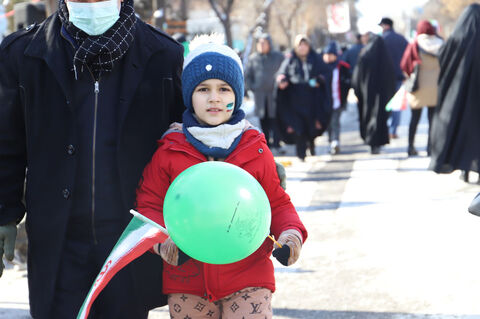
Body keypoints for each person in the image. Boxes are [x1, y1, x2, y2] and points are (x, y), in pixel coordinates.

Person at [0, 0, 184, 317]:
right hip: (57, 240)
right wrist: (4, 212)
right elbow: (7, 143)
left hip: (129, 240)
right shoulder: (22, 53)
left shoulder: (163, 55)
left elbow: (182, 147)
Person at [135, 34, 308, 319]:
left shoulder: (254, 148)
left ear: (237, 95)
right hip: (187, 280)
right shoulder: (170, 150)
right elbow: (148, 206)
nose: (214, 98)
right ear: (188, 93)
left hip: (248, 276)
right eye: (203, 89)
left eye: (224, 89)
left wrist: (291, 235)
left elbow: (276, 203)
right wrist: (162, 242)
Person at [429, 4, 480, 182]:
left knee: (462, 131)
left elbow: (443, 56)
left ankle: (464, 171)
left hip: (459, 96)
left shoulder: (457, 39)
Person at [275, 34, 331, 161]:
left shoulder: (315, 58)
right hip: (295, 100)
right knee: (298, 128)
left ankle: (311, 144)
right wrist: (282, 80)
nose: (302, 48)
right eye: (300, 45)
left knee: (311, 127)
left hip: (313, 100)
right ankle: (301, 153)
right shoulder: (290, 60)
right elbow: (281, 73)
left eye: (305, 45)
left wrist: (319, 80)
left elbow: (326, 73)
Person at [400, 20, 443, 157]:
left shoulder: (415, 44)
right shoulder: (441, 43)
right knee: (432, 120)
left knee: (414, 119)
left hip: (417, 87)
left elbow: (405, 64)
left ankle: (410, 146)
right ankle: (430, 148)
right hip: (436, 87)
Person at [352, 34, 396, 154]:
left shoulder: (365, 55)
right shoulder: (386, 57)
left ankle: (371, 141)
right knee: (380, 118)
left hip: (367, 95)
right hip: (382, 95)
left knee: (369, 115)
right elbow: (392, 77)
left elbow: (357, 77)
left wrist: (357, 91)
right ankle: (377, 142)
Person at [245, 33, 285, 152]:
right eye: (260, 43)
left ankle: (277, 143)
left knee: (275, 119)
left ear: (269, 44)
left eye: (264, 43)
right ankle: (267, 144)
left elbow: (285, 70)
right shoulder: (254, 58)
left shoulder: (278, 57)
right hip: (260, 95)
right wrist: (253, 87)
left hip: (275, 94)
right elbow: (247, 76)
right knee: (263, 120)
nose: (262, 45)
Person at [379, 17, 408, 139]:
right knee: (396, 104)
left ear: (386, 26)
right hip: (399, 76)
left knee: (385, 103)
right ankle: (393, 129)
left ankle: (385, 128)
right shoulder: (402, 39)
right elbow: (409, 57)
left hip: (384, 77)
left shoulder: (381, 40)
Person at [323, 41, 351, 154]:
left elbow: (348, 82)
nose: (328, 57)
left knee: (335, 121)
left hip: (337, 100)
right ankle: (331, 140)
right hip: (325, 101)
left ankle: (335, 141)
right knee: (328, 123)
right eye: (327, 54)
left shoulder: (342, 67)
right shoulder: (321, 67)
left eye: (331, 54)